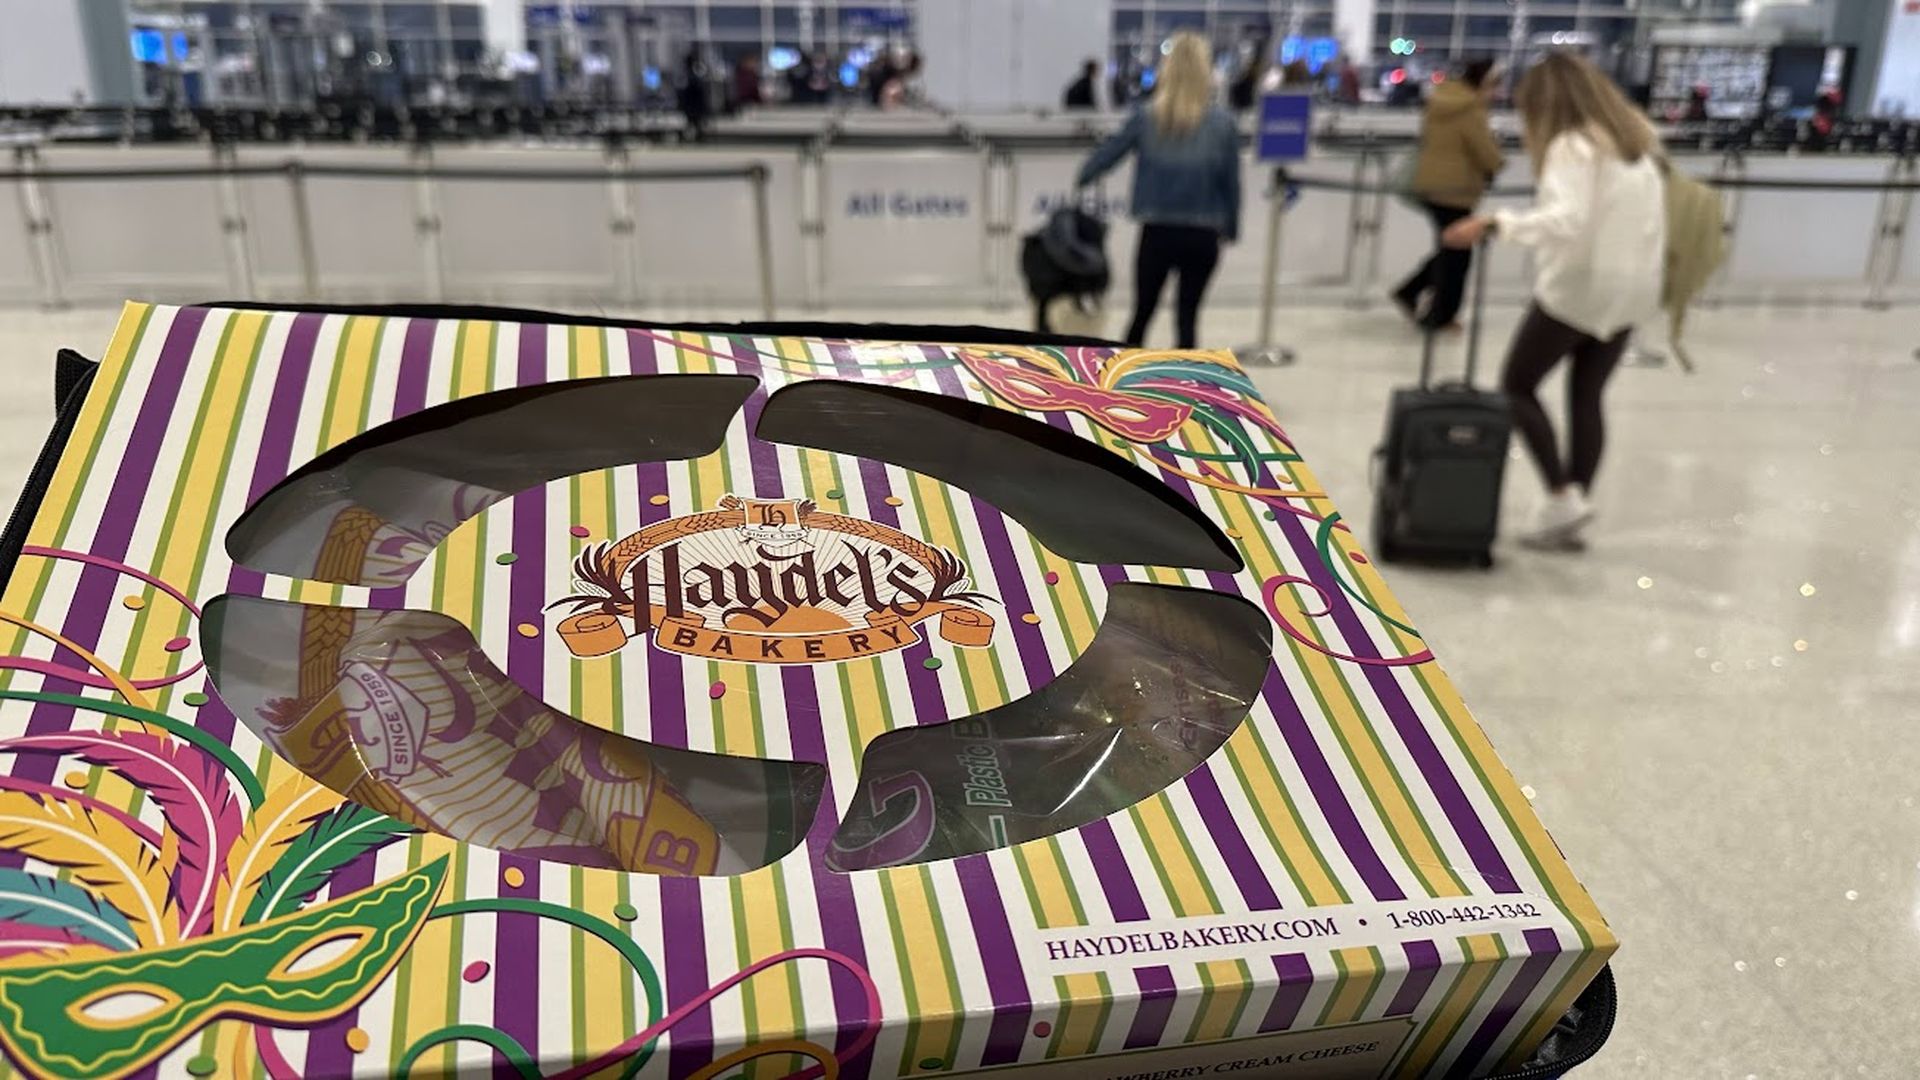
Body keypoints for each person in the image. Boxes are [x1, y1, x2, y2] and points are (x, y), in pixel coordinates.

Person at [1441, 52, 1666, 548]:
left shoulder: (1572, 145)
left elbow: (1566, 220)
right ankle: (1572, 505)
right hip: (1631, 288)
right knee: (1587, 395)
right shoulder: (1636, 142)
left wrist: (1495, 224)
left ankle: (1562, 496)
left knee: (1517, 385)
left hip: (1580, 286)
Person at [1076, 32, 1241, 350]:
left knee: (1142, 313)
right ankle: (1186, 381)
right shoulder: (1223, 124)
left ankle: (1122, 377)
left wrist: (1084, 176)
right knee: (1187, 317)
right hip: (1203, 234)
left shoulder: (1147, 117)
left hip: (1157, 232)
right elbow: (1230, 183)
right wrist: (1231, 227)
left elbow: (1110, 153)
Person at [1393, 58, 1504, 332]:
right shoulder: (1470, 108)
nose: (1497, 93)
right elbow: (1484, 150)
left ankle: (1411, 292)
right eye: (1494, 86)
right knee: (1457, 255)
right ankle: (1439, 315)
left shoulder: (1441, 100)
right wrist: (1497, 163)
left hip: (1433, 185)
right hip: (1457, 189)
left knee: (1451, 248)